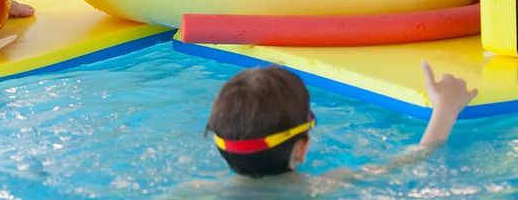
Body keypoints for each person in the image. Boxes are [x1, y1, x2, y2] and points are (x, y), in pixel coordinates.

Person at [204, 62, 476, 179]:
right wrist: (445, 110)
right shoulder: (321, 187)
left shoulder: (196, 192)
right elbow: (415, 157)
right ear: (301, 148)